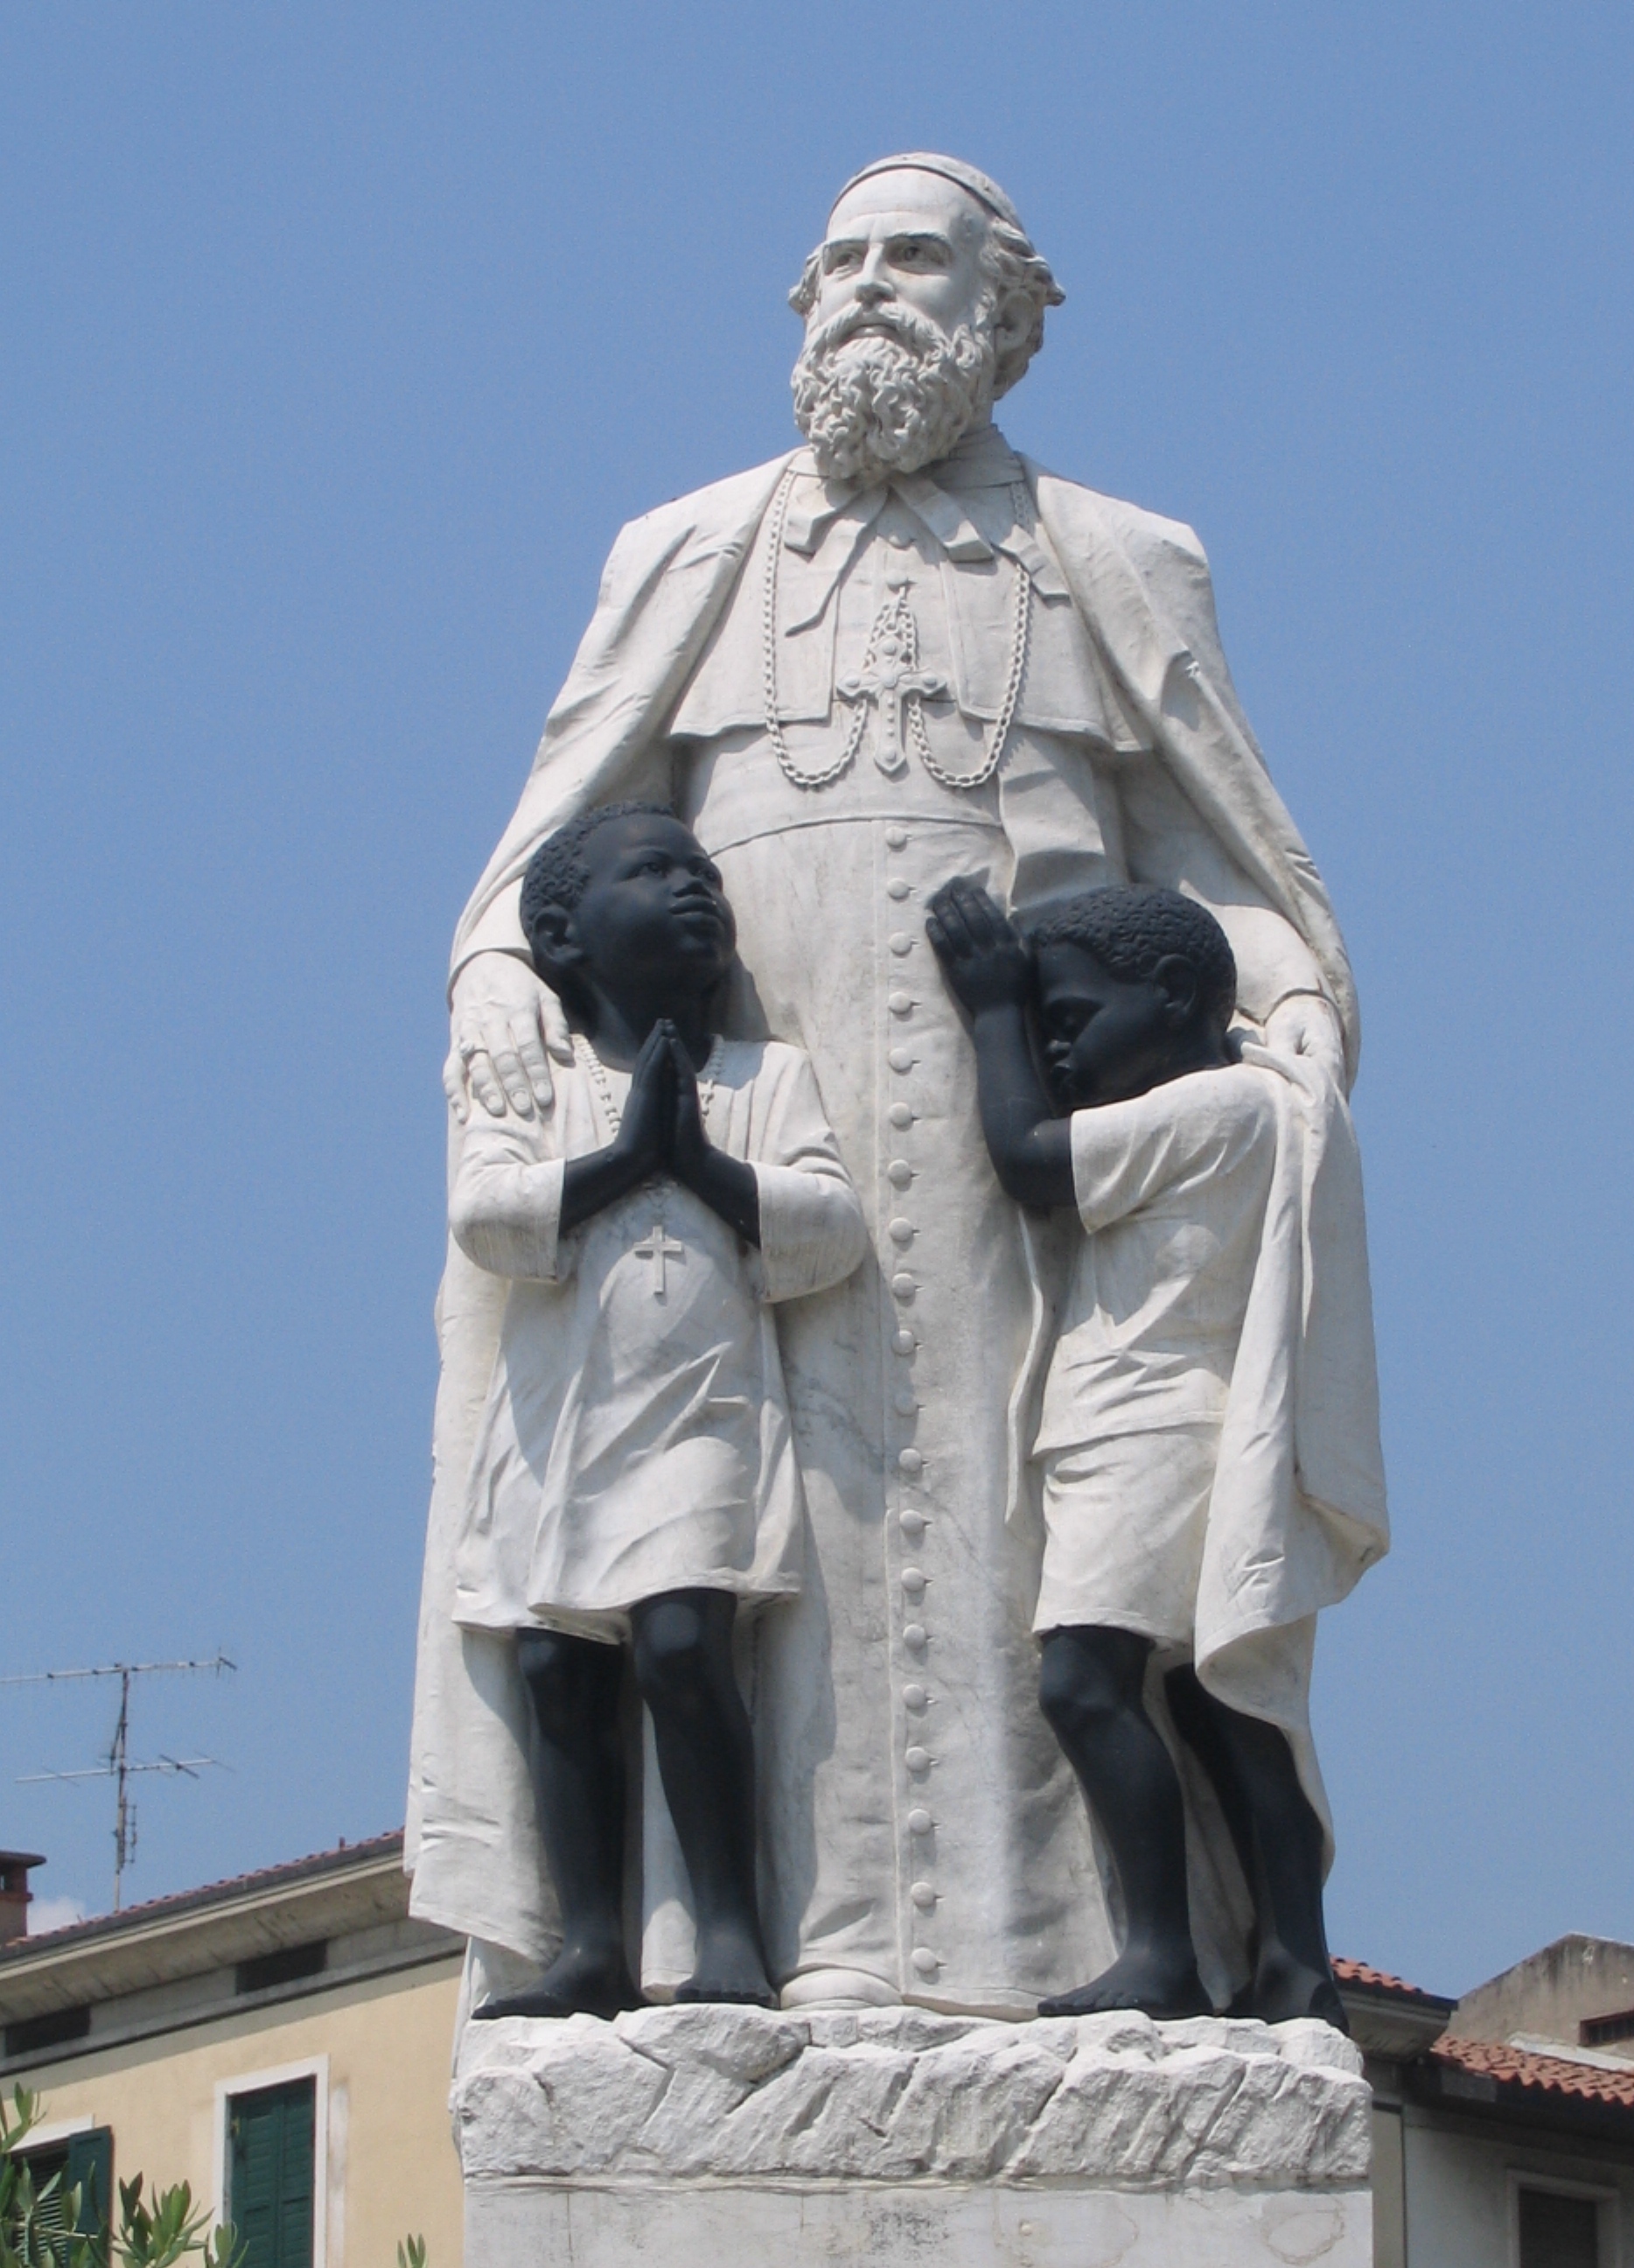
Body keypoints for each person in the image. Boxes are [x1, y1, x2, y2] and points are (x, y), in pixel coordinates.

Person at [408, 152, 1372, 2017]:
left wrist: (1302, 1015)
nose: (866, 289)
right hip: (750, 1126)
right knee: (756, 1565)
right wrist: (487, 990)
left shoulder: (1123, 558)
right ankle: (732, 1953)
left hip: (1031, 1156)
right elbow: (542, 854)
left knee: (1035, 1560)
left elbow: (1232, 876)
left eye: (912, 258)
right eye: (838, 260)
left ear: (1004, 316)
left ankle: (1084, 1967)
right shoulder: (680, 549)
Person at [927, 876, 1386, 2026]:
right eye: (1045, 1029)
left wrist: (990, 1008)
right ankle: (1292, 1962)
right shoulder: (1249, 1111)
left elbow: (1031, 1159)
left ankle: (1164, 1956)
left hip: (1150, 1429)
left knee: (1088, 1684)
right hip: (1149, 1426)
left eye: (1074, 1021)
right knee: (1212, 1699)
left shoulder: (1221, 1109)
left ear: (1177, 996)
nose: (1060, 1049)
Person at [448, 801, 865, 2017]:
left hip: (701, 1419)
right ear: (567, 939)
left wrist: (706, 1168)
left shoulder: (762, 1076)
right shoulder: (539, 1083)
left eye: (705, 875)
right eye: (655, 872)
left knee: (685, 1646)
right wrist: (629, 1161)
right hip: (555, 1431)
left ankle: (730, 1929)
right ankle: (590, 1942)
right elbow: (486, 1217)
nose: (696, 891)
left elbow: (828, 1226)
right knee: (558, 1671)